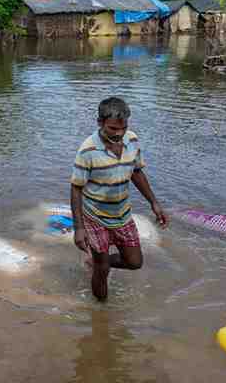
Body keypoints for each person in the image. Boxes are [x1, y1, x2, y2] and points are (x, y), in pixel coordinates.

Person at [70, 96, 168, 301]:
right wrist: (79, 228)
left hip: (122, 214)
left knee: (134, 262)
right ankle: (101, 315)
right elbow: (76, 189)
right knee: (102, 270)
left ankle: (96, 262)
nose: (119, 133)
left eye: (122, 128)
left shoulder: (131, 140)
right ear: (100, 123)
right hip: (94, 217)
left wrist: (154, 203)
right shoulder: (87, 150)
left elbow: (136, 172)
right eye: (113, 129)